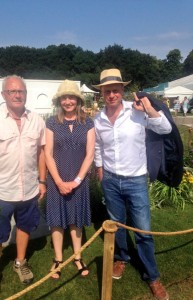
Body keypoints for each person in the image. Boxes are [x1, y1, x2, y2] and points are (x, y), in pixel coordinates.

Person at [93, 69, 171, 300]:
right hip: (110, 179)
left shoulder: (136, 111)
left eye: (115, 90)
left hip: (136, 180)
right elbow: (98, 147)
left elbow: (165, 129)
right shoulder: (98, 119)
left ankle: (153, 277)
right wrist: (100, 170)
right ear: (102, 93)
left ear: (122, 90)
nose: (112, 94)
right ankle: (121, 258)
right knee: (117, 226)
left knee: (143, 230)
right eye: (107, 91)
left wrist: (148, 109)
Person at [0, 75, 46, 299]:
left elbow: (41, 152)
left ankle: (20, 262)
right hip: (0, 193)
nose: (17, 95)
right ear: (4, 95)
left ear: (26, 94)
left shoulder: (37, 120)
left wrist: (42, 181)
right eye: (12, 91)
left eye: (20, 91)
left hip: (30, 190)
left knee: (24, 227)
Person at [44, 80, 95, 279]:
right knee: (56, 221)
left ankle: (77, 256)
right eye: (64, 98)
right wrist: (58, 181)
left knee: (77, 220)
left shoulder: (88, 122)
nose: (68, 101)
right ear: (59, 101)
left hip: (79, 180)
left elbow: (90, 154)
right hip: (57, 179)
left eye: (71, 97)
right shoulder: (51, 122)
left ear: (78, 100)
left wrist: (77, 180)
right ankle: (57, 259)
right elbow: (47, 153)